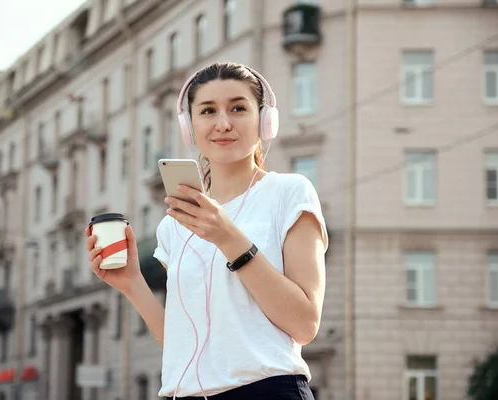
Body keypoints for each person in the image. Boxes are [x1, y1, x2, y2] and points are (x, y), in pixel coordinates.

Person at [85, 62, 328, 400]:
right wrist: (132, 283)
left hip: (266, 391)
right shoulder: (175, 223)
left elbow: (304, 324)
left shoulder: (289, 193)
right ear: (189, 127)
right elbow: (181, 343)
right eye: (208, 111)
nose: (223, 123)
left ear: (264, 120)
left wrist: (229, 238)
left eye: (238, 108)